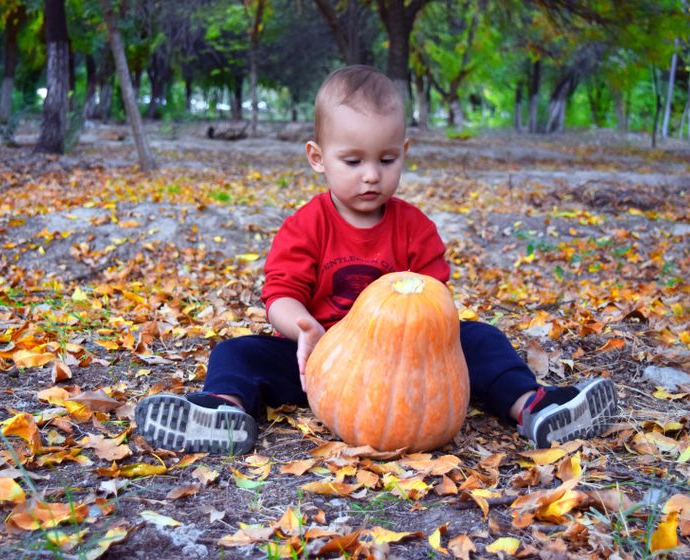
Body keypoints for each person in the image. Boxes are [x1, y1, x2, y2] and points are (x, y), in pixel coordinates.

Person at [134, 65, 618, 455]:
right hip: (321, 359)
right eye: (353, 161)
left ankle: (535, 408)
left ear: (403, 154)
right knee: (236, 352)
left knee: (483, 339)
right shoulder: (308, 226)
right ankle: (221, 412)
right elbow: (280, 292)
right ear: (318, 157)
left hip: (403, 374)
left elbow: (435, 302)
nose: (371, 176)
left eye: (387, 161)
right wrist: (302, 328)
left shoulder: (415, 228)